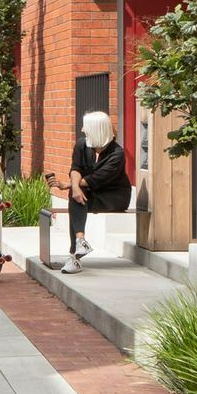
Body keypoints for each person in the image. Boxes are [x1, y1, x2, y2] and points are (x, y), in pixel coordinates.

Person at [61, 110, 131, 275]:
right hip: (90, 192)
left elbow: (96, 179)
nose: (82, 130)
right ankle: (80, 242)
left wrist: (71, 185)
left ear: (97, 130)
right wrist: (75, 187)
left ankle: (74, 256)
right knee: (76, 196)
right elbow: (76, 168)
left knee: (77, 195)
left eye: (86, 127)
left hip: (113, 196)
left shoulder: (117, 154)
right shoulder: (82, 144)